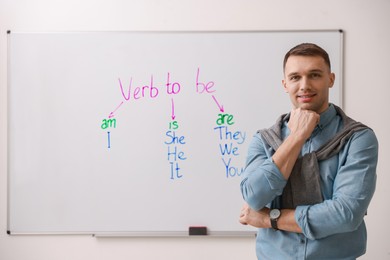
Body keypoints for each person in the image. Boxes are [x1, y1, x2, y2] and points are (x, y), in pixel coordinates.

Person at [239, 43, 378, 259]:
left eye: (314, 75)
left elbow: (346, 214)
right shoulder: (264, 140)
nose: (304, 85)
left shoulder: (358, 138)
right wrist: (296, 137)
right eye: (295, 77)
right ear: (285, 84)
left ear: (330, 79)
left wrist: (270, 219)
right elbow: (254, 197)